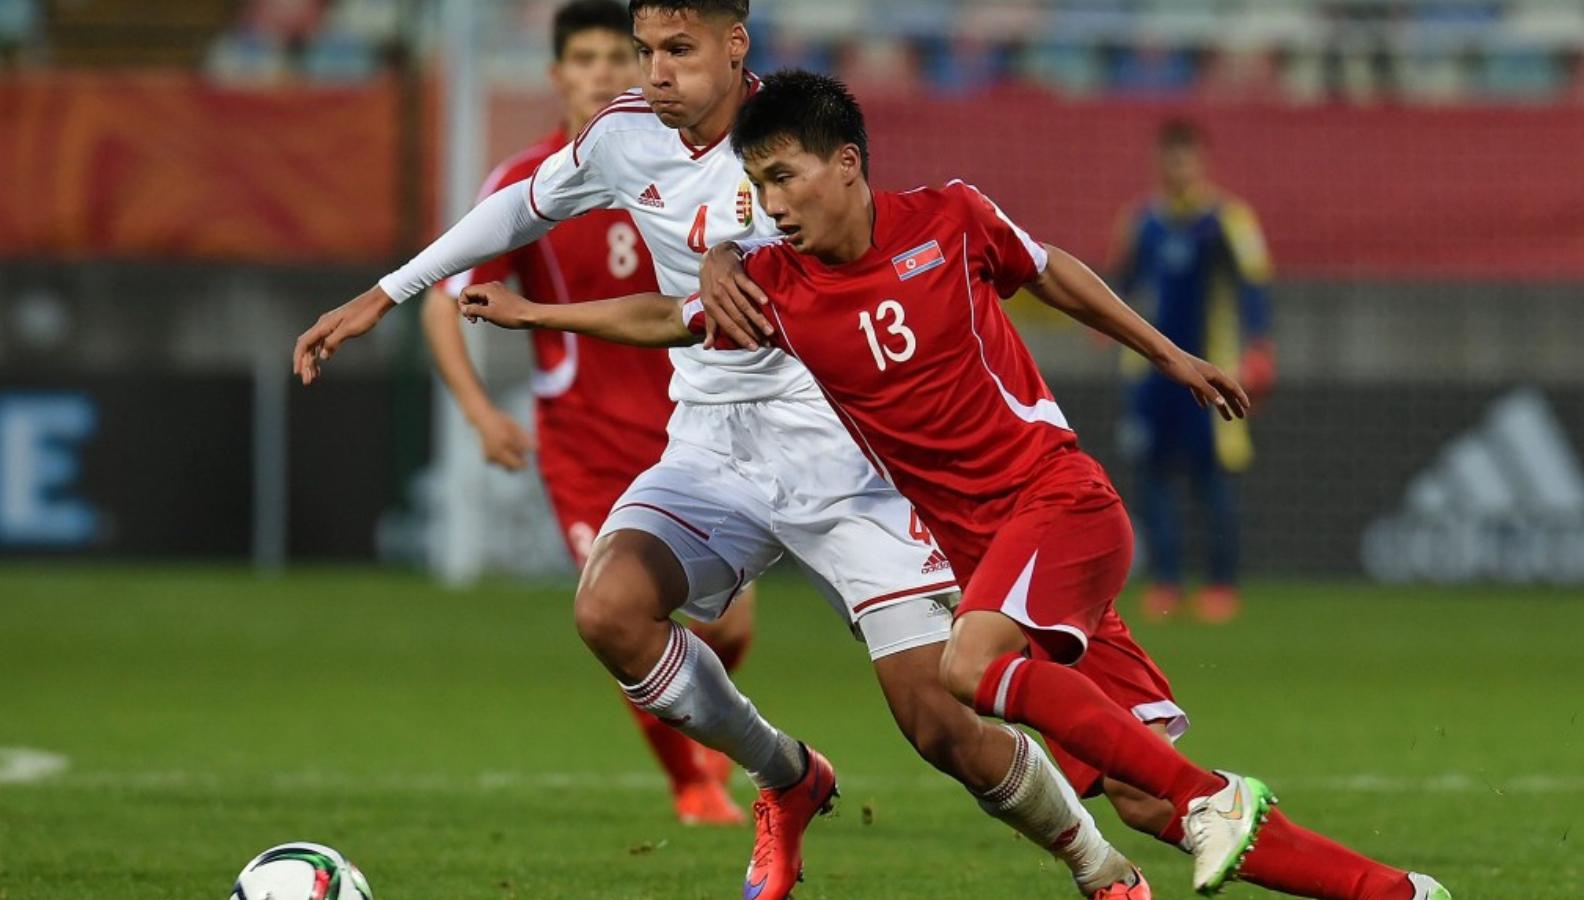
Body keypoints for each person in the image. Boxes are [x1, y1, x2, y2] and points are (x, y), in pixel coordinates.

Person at [456, 69, 1452, 900]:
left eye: (786, 176)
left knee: (972, 672)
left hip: (1056, 506)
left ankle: (1210, 797)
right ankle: (1395, 892)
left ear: (846, 163)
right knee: (1140, 803)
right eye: (758, 183)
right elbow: (669, 318)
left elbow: (1056, 270)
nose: (773, 202)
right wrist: (541, 315)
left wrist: (1171, 356)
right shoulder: (787, 295)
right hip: (987, 558)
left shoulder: (951, 219)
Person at [291, 4, 1146, 898]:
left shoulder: (795, 137)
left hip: (849, 455)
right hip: (715, 447)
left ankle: (1098, 865)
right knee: (610, 610)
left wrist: (731, 246)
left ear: (736, 46)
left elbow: (846, 235)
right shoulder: (624, 135)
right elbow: (521, 205)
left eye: (678, 52)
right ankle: (785, 773)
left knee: (940, 726)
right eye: (645, 52)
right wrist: (385, 294)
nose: (655, 73)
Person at [419, 0, 747, 827]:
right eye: (590, 58)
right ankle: (692, 786)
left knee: (732, 628)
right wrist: (476, 411)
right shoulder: (530, 181)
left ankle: (701, 721)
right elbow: (444, 300)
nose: (607, 72)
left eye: (619, 57)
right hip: (588, 446)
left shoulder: (682, 162)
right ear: (558, 74)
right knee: (620, 612)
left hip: (692, 429)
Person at [1109, 119, 1276, 624]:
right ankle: (1166, 581)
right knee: (1153, 477)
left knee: (1214, 479)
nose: (1177, 168)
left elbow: (1254, 284)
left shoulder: (1227, 220)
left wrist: (1259, 346)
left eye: (1186, 158)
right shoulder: (1142, 222)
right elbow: (1121, 282)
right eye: (1170, 158)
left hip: (1212, 371)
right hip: (1149, 375)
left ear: (1201, 161)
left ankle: (1222, 584)